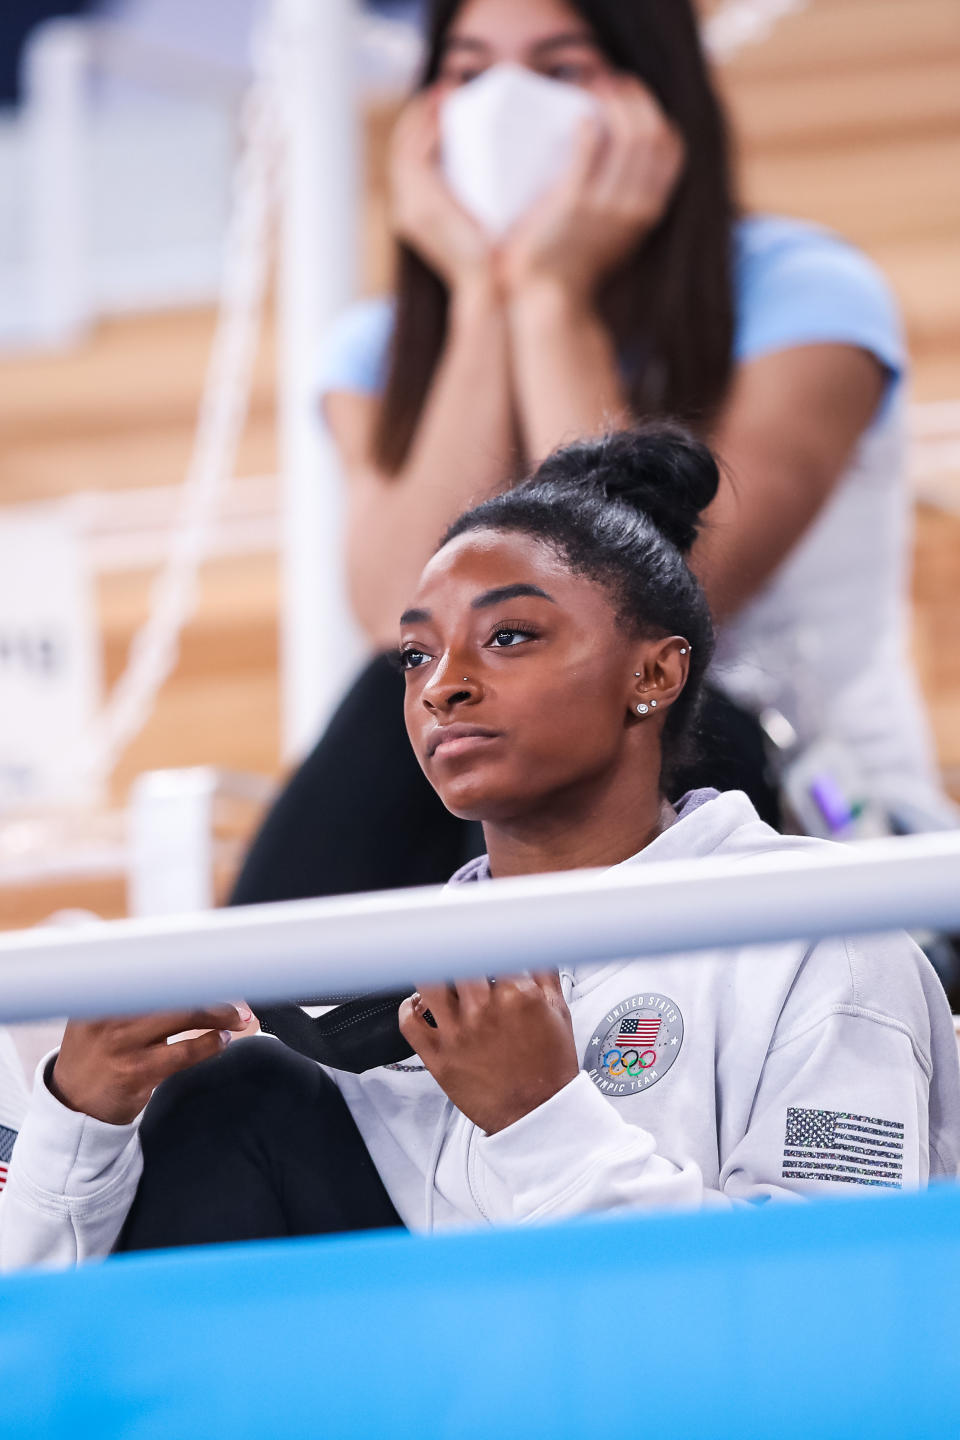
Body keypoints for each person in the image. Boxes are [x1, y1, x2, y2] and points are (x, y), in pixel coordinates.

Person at [2, 427, 957, 1268]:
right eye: (417, 654)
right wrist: (81, 1122)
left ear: (655, 672)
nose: (441, 686)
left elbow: (832, 1302)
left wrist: (540, 1117)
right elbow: (39, 1365)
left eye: (509, 636)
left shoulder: (823, 931)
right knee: (228, 1089)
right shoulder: (383, 1002)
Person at [232, 0, 954, 987]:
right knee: (416, 697)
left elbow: (662, 591)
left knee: (596, 680)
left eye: (560, 68)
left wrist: (551, 295)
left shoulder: (805, 295)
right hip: (515, 816)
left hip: (782, 795)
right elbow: (404, 613)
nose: (504, 103)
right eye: (469, 70)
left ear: (657, 100)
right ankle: (268, 1048)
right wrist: (486, 295)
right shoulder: (377, 349)